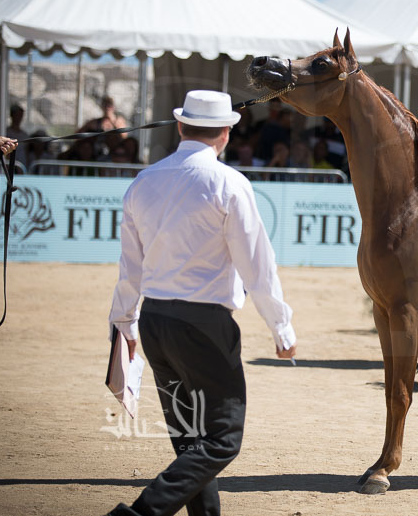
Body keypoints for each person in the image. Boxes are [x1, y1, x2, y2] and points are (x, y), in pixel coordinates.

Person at [106, 90, 296, 516]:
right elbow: (257, 265)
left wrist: (125, 323)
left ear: (180, 126)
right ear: (226, 133)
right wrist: (281, 327)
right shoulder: (229, 184)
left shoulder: (143, 181)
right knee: (222, 439)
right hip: (205, 325)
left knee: (190, 439)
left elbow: (129, 267)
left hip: (155, 322)